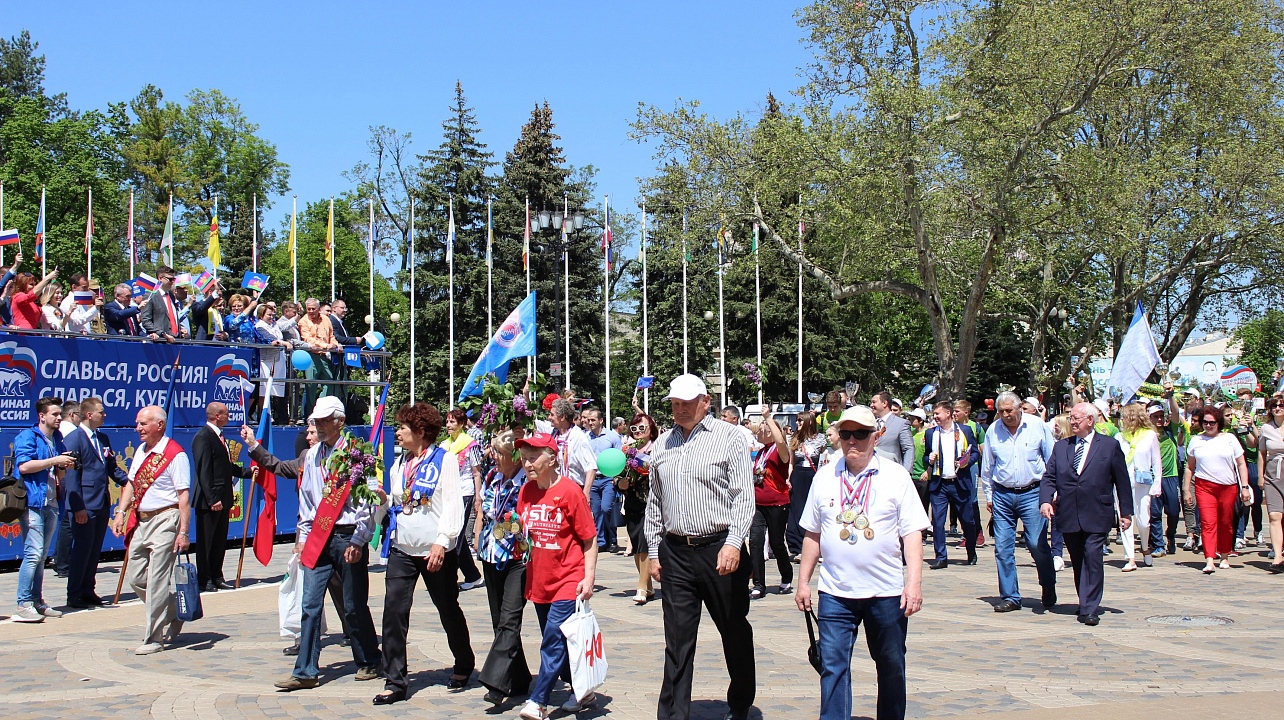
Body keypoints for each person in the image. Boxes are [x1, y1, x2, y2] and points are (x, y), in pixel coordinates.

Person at [794, 405, 927, 720]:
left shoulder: (895, 476)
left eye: (861, 434)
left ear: (876, 436)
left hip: (886, 592)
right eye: (846, 434)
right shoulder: (825, 476)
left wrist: (914, 583)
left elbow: (912, 534)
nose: (852, 441)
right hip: (835, 592)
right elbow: (813, 534)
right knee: (833, 667)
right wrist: (803, 582)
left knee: (891, 665)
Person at [242, 396, 380, 690]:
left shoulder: (359, 455)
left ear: (339, 422)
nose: (317, 423)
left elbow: (369, 502)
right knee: (310, 604)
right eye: (315, 419)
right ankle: (305, 670)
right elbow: (307, 501)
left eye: (324, 419)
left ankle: (369, 659)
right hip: (319, 536)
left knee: (354, 604)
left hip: (347, 535)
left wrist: (359, 538)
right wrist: (303, 538)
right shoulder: (311, 455)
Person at [645, 374, 755, 720]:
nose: (679, 410)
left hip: (720, 547)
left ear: (705, 402)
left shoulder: (730, 438)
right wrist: (652, 550)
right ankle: (673, 714)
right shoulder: (662, 444)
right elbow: (655, 502)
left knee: (733, 629)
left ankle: (740, 702)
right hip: (675, 552)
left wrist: (735, 543)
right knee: (677, 640)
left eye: (687, 404)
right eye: (675, 404)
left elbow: (742, 496)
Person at [374, 402, 472, 705]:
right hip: (403, 547)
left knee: (447, 608)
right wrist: (380, 500)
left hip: (434, 549)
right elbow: (395, 503)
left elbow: (454, 505)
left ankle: (463, 662)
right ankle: (395, 681)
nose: (398, 432)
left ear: (420, 430)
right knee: (393, 613)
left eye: (403, 427)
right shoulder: (399, 464)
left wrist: (442, 542)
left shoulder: (445, 461)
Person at [514, 432, 599, 720]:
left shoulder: (570, 491)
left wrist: (588, 579)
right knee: (562, 641)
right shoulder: (525, 492)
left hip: (568, 580)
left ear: (552, 459)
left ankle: (538, 701)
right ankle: (582, 690)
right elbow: (525, 536)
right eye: (524, 458)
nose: (528, 463)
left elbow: (589, 539)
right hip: (539, 581)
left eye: (534, 457)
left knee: (552, 640)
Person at [1039, 403, 1132, 625]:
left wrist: (1126, 512)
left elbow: (1122, 480)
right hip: (1069, 512)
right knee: (1079, 559)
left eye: (1077, 418)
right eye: (1070, 418)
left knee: (1093, 556)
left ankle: (1090, 607)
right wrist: (1045, 501)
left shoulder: (1109, 446)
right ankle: (1085, 599)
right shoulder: (1062, 447)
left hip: (1097, 511)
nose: (1072, 422)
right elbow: (1049, 476)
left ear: (1090, 420)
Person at [110, 406, 191, 653]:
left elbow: (184, 495)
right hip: (142, 520)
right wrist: (121, 512)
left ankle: (154, 638)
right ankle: (174, 608)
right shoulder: (141, 451)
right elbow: (132, 484)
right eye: (138, 423)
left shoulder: (175, 455)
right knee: (135, 576)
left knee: (157, 580)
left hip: (166, 518)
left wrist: (184, 532)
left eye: (143, 424)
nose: (138, 429)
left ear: (159, 425)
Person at [981, 392, 1057, 612]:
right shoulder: (993, 431)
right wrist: (990, 495)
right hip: (1003, 494)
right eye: (1002, 411)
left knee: (1036, 543)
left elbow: (1051, 460)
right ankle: (1010, 596)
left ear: (1019, 409)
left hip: (1033, 492)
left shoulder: (1036, 426)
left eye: (1009, 411)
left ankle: (1048, 584)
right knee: (1003, 548)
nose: (1006, 415)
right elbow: (988, 467)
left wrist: (1051, 494)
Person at [476, 429, 533, 705]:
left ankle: (496, 682)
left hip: (518, 557)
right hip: (491, 553)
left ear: (513, 456)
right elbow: (484, 510)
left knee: (510, 619)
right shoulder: (493, 477)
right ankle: (520, 678)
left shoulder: (527, 483)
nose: (493, 457)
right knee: (499, 621)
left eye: (498, 453)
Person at [62, 397, 129, 608]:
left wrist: (131, 481)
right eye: (101, 412)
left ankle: (88, 589)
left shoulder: (103, 438)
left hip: (101, 502)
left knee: (94, 549)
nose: (104, 415)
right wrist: (77, 507)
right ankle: (74, 593)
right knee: (82, 549)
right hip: (84, 503)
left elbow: (111, 467)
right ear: (89, 415)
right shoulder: (74, 439)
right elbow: (71, 477)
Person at [12, 397, 75, 622]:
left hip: (51, 501)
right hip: (32, 502)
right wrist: (53, 460)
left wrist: (63, 466)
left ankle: (37, 601)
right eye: (55, 414)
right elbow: (24, 466)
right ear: (42, 416)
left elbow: (58, 472)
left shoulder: (57, 438)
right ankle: (23, 603)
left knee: (42, 556)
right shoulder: (28, 436)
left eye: (60, 414)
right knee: (33, 553)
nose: (59, 418)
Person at [1184, 405, 1252, 573]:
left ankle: (1224, 555)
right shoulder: (1196, 440)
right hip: (1204, 486)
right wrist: (1186, 490)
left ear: (1219, 423)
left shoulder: (1229, 438)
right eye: (1205, 422)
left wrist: (1244, 487)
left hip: (1228, 486)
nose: (1208, 425)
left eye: (1212, 422)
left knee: (1225, 522)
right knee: (1207, 522)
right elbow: (1189, 467)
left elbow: (1242, 464)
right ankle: (1209, 559)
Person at [191, 402, 252, 591]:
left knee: (219, 540)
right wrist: (212, 498)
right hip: (210, 500)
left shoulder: (220, 437)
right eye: (226, 414)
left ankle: (217, 574)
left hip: (223, 497)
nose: (228, 417)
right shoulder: (203, 437)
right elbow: (204, 470)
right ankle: (205, 578)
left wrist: (248, 472)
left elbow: (225, 466)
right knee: (206, 541)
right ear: (217, 416)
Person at [923, 401, 981, 569]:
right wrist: (929, 459)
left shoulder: (965, 431)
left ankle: (971, 550)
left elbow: (975, 452)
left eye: (937, 414)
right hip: (939, 483)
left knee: (967, 520)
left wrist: (966, 462)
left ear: (948, 413)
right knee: (938, 522)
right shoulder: (931, 434)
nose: (935, 417)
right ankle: (941, 556)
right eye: (934, 414)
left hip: (959, 482)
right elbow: (926, 456)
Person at [749, 413, 793, 599]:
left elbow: (781, 442)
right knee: (756, 541)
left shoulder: (778, 450)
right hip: (758, 503)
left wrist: (768, 418)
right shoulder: (761, 452)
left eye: (762, 428)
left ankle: (787, 576)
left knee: (776, 542)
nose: (758, 431)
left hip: (777, 502)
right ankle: (758, 583)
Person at [1115, 404, 1164, 571]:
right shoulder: (1120, 437)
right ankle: (1130, 557)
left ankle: (1145, 547)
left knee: (1144, 521)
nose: (1121, 420)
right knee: (1125, 519)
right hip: (1123, 483)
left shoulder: (1150, 436)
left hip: (1143, 482)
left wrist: (1158, 482)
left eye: (1124, 417)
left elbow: (1157, 460)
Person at [441, 408, 485, 590]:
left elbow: (476, 473)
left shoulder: (470, 444)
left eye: (452, 422)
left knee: (457, 535)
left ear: (461, 424)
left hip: (465, 492)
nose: (449, 426)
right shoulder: (444, 445)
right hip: (449, 492)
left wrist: (477, 497)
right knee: (455, 536)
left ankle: (457, 576)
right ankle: (472, 574)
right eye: (447, 422)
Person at [618, 412, 658, 604]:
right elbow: (616, 475)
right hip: (632, 501)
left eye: (642, 428)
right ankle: (648, 586)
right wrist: (619, 484)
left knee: (644, 543)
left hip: (652, 502)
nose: (638, 432)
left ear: (651, 429)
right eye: (634, 428)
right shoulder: (627, 450)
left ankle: (641, 588)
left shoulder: (658, 448)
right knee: (636, 544)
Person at [1146, 396, 1186, 559]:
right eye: (1156, 416)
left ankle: (1170, 535)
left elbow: (1176, 414)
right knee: (1155, 513)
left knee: (1174, 511)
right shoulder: (1145, 435)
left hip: (1171, 477)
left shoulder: (1170, 431)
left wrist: (1170, 397)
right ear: (1149, 418)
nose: (1160, 419)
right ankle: (1158, 545)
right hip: (1154, 478)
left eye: (1162, 415)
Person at [582, 407, 623, 552]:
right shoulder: (585, 437)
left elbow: (620, 458)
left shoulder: (612, 437)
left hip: (608, 479)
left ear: (601, 421)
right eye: (588, 420)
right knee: (596, 512)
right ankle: (601, 542)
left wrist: (617, 478)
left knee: (607, 508)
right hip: (593, 479)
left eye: (593, 420)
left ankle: (612, 539)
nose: (590, 423)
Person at [786, 411, 826, 559]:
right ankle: (797, 546)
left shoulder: (821, 439)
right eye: (797, 421)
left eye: (801, 421)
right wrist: (788, 478)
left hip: (813, 474)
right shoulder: (794, 439)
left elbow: (824, 459)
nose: (798, 423)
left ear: (809, 422)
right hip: (798, 474)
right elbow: (791, 461)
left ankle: (817, 545)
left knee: (814, 509)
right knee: (797, 508)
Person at [298, 298, 339, 418]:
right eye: (308, 309)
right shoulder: (303, 321)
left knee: (329, 382)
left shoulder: (326, 319)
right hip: (311, 356)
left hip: (324, 356)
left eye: (313, 309)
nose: (311, 311)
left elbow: (331, 335)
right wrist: (326, 345)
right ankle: (310, 414)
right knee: (311, 385)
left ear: (318, 309)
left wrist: (336, 345)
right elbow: (308, 339)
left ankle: (320, 407)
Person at [1257, 397, 1284, 572]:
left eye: (1281, 405)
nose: (1278, 408)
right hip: (1274, 473)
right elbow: (1261, 453)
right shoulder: (1266, 428)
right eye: (1274, 405)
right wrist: (1261, 476)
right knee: (1275, 515)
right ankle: (1278, 557)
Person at [548, 397, 597, 492]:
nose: (549, 418)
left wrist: (586, 493)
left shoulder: (578, 437)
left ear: (562, 417)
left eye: (552, 415)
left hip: (573, 489)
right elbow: (534, 423)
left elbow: (591, 466)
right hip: (555, 488)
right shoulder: (553, 433)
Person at [137, 266, 186, 341]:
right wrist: (163, 334)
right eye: (170, 279)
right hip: (160, 341)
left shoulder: (171, 295)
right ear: (160, 278)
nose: (173, 282)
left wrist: (180, 330)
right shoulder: (150, 296)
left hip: (176, 341)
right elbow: (146, 320)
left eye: (174, 279)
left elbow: (171, 319)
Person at [872, 391, 915, 473]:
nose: (871, 405)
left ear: (884, 403)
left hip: (892, 472)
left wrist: (906, 472)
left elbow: (908, 449)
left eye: (874, 402)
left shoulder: (901, 424)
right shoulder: (871, 423)